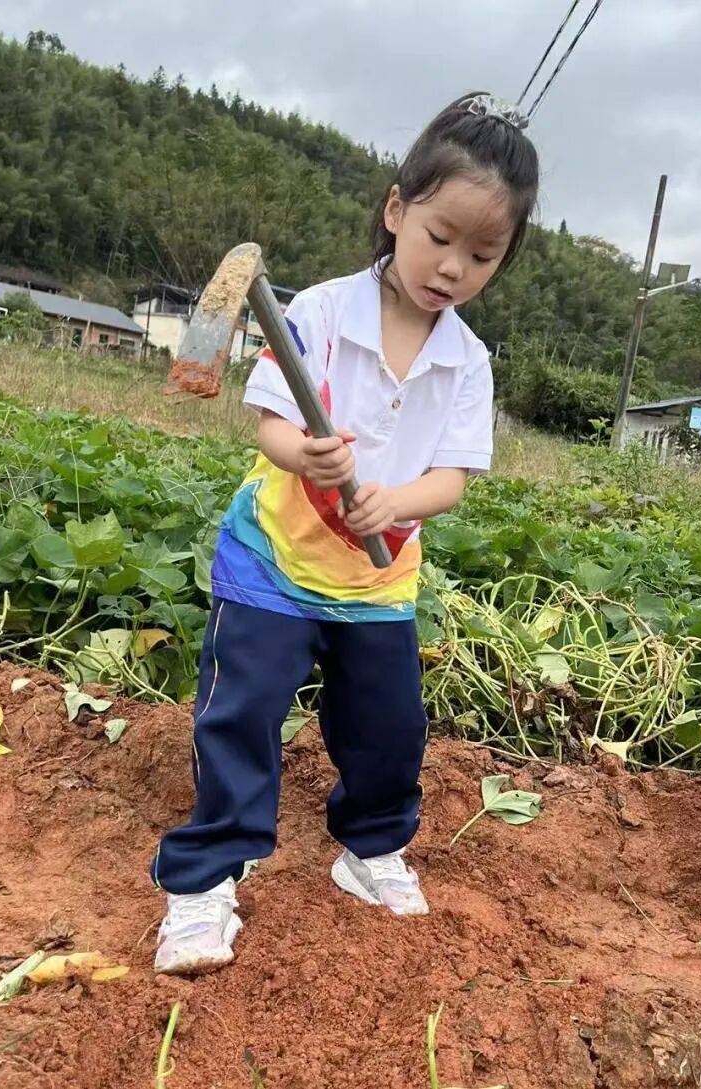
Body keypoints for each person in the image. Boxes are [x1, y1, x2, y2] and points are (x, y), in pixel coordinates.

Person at [151, 92, 540, 975]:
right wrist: (309, 456)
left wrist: (396, 500)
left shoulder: (467, 361)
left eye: (482, 255)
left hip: (377, 577)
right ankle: (205, 877)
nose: (452, 267)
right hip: (274, 562)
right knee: (242, 711)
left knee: (388, 727)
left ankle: (369, 848)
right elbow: (270, 424)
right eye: (439, 236)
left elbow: (452, 477)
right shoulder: (321, 313)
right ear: (396, 211)